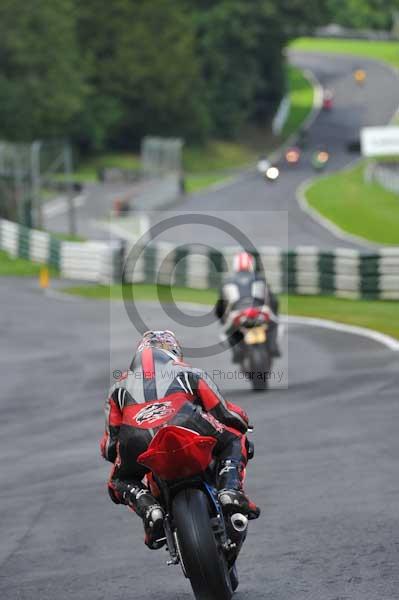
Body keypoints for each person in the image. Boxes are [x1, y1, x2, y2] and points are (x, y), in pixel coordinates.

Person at [100, 330, 260, 550]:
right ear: (174, 352)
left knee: (118, 481)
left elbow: (110, 446)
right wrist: (243, 421)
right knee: (234, 439)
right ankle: (230, 489)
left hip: (136, 437)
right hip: (186, 420)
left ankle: (149, 508)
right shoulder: (189, 372)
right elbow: (225, 413)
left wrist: (121, 454)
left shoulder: (117, 388)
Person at [215, 251, 280, 361]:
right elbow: (273, 301)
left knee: (225, 333)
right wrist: (274, 312)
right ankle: (273, 346)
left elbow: (220, 307)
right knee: (275, 324)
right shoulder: (260, 279)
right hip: (260, 310)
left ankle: (237, 352)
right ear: (252, 264)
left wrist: (222, 320)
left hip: (238, 314)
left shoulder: (227, 282)